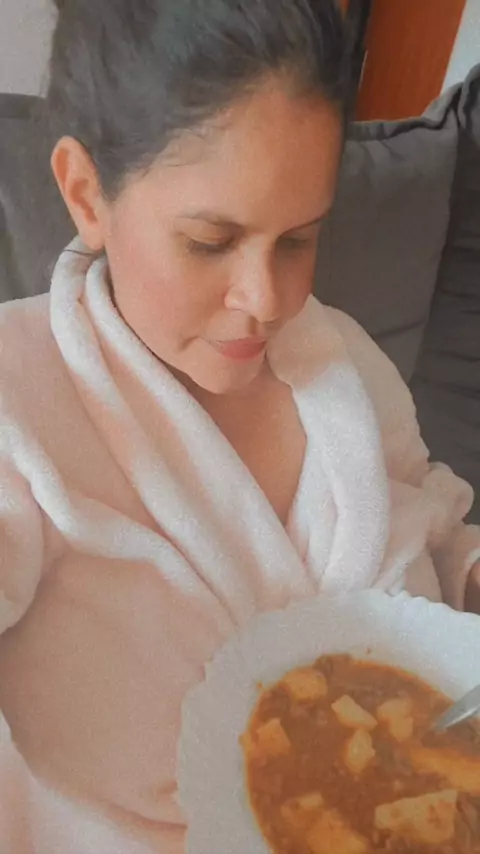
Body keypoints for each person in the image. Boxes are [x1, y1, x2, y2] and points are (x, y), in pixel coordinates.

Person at [0, 1, 478, 851]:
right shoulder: (18, 400)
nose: (267, 300)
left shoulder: (345, 363)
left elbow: (438, 530)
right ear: (85, 193)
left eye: (298, 239)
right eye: (210, 241)